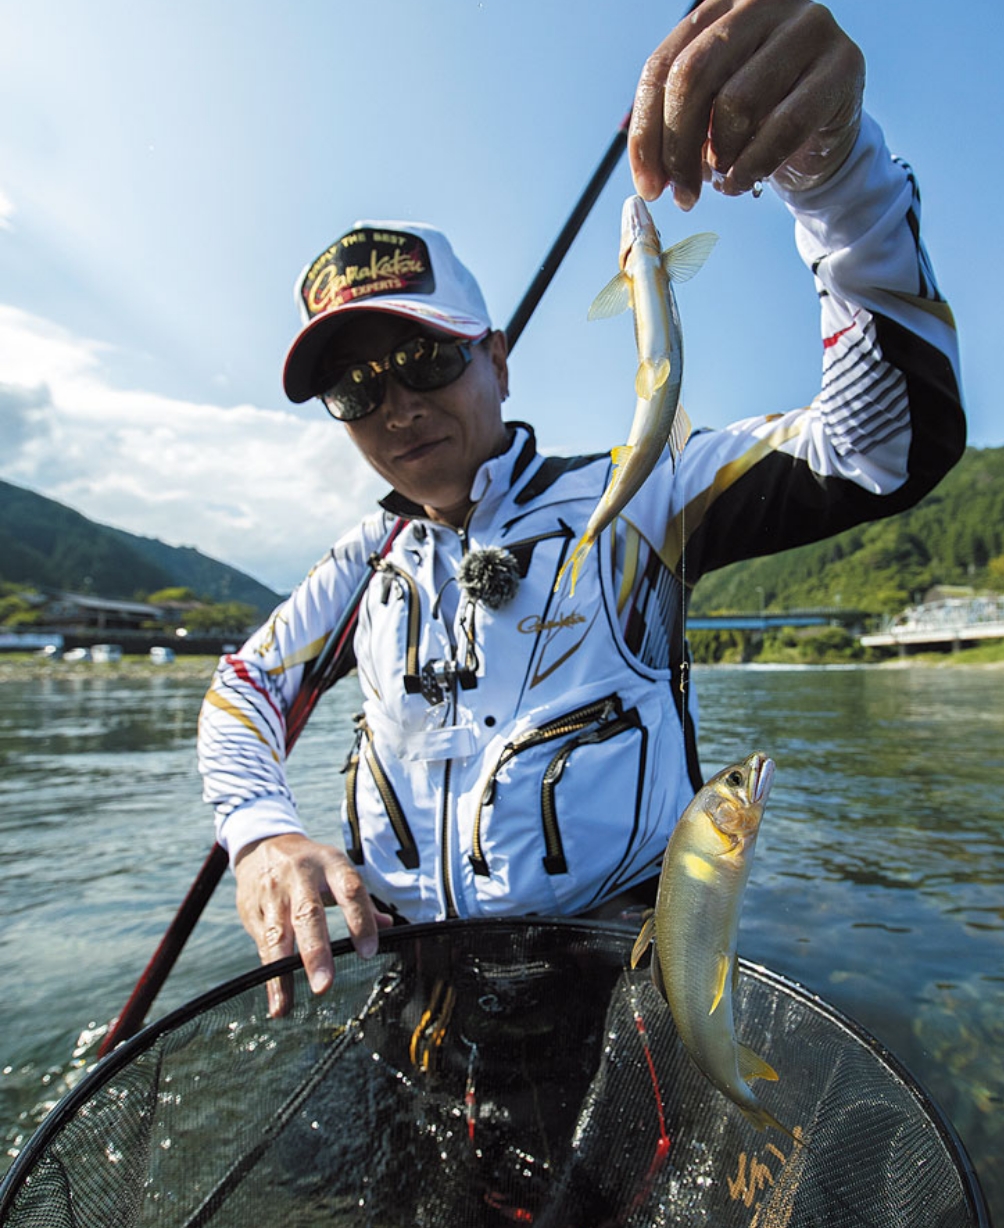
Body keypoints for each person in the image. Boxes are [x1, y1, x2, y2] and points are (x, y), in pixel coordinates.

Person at [198, 0, 964, 1017]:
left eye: (425, 357)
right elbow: (244, 690)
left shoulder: (645, 494)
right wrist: (262, 834)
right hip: (410, 1005)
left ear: (497, 361)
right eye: (356, 388)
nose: (399, 405)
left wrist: (837, 181)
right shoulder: (362, 568)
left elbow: (879, 445)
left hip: (618, 999)